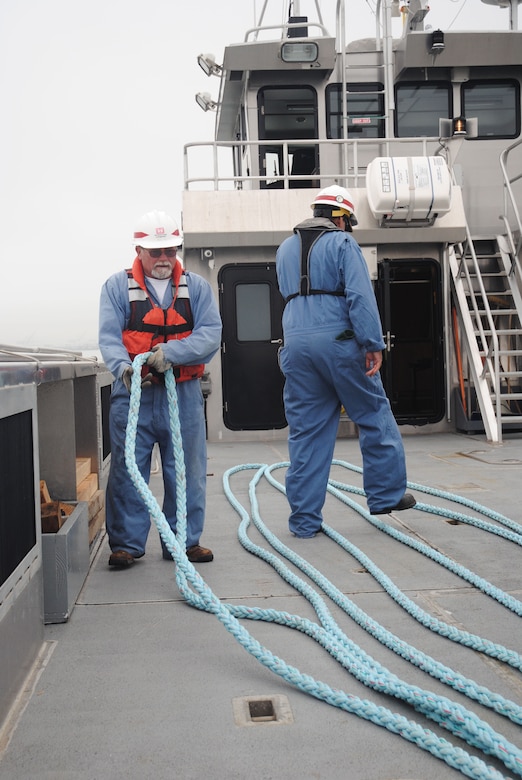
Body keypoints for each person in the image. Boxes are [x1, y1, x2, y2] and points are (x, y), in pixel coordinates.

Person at [275, 185, 415, 538]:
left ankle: (304, 522)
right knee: (372, 413)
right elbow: (359, 295)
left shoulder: (285, 248)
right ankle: (385, 495)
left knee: (307, 433)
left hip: (295, 344)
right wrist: (372, 342)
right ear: (339, 218)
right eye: (347, 222)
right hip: (339, 341)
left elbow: (288, 296)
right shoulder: (342, 243)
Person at [99, 210, 222, 567]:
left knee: (187, 469)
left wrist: (170, 354)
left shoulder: (196, 288)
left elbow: (210, 334)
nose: (165, 258)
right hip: (133, 394)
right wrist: (125, 370)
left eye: (171, 250)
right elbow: (109, 338)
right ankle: (125, 544)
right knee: (126, 469)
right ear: (139, 250)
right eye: (156, 252)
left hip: (181, 395)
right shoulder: (115, 288)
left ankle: (183, 542)